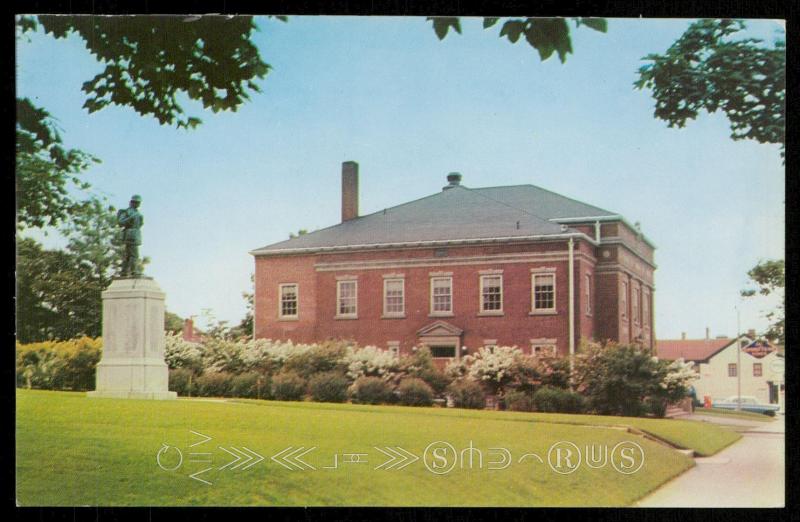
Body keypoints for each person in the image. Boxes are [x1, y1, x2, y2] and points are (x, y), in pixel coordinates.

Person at [118, 195, 143, 277]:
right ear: (132, 202)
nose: (138, 204)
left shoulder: (138, 213)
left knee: (129, 255)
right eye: (136, 202)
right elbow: (121, 222)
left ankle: (124, 271)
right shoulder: (126, 212)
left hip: (136, 234)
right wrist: (131, 218)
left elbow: (141, 224)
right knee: (134, 254)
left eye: (139, 202)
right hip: (130, 234)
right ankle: (134, 271)